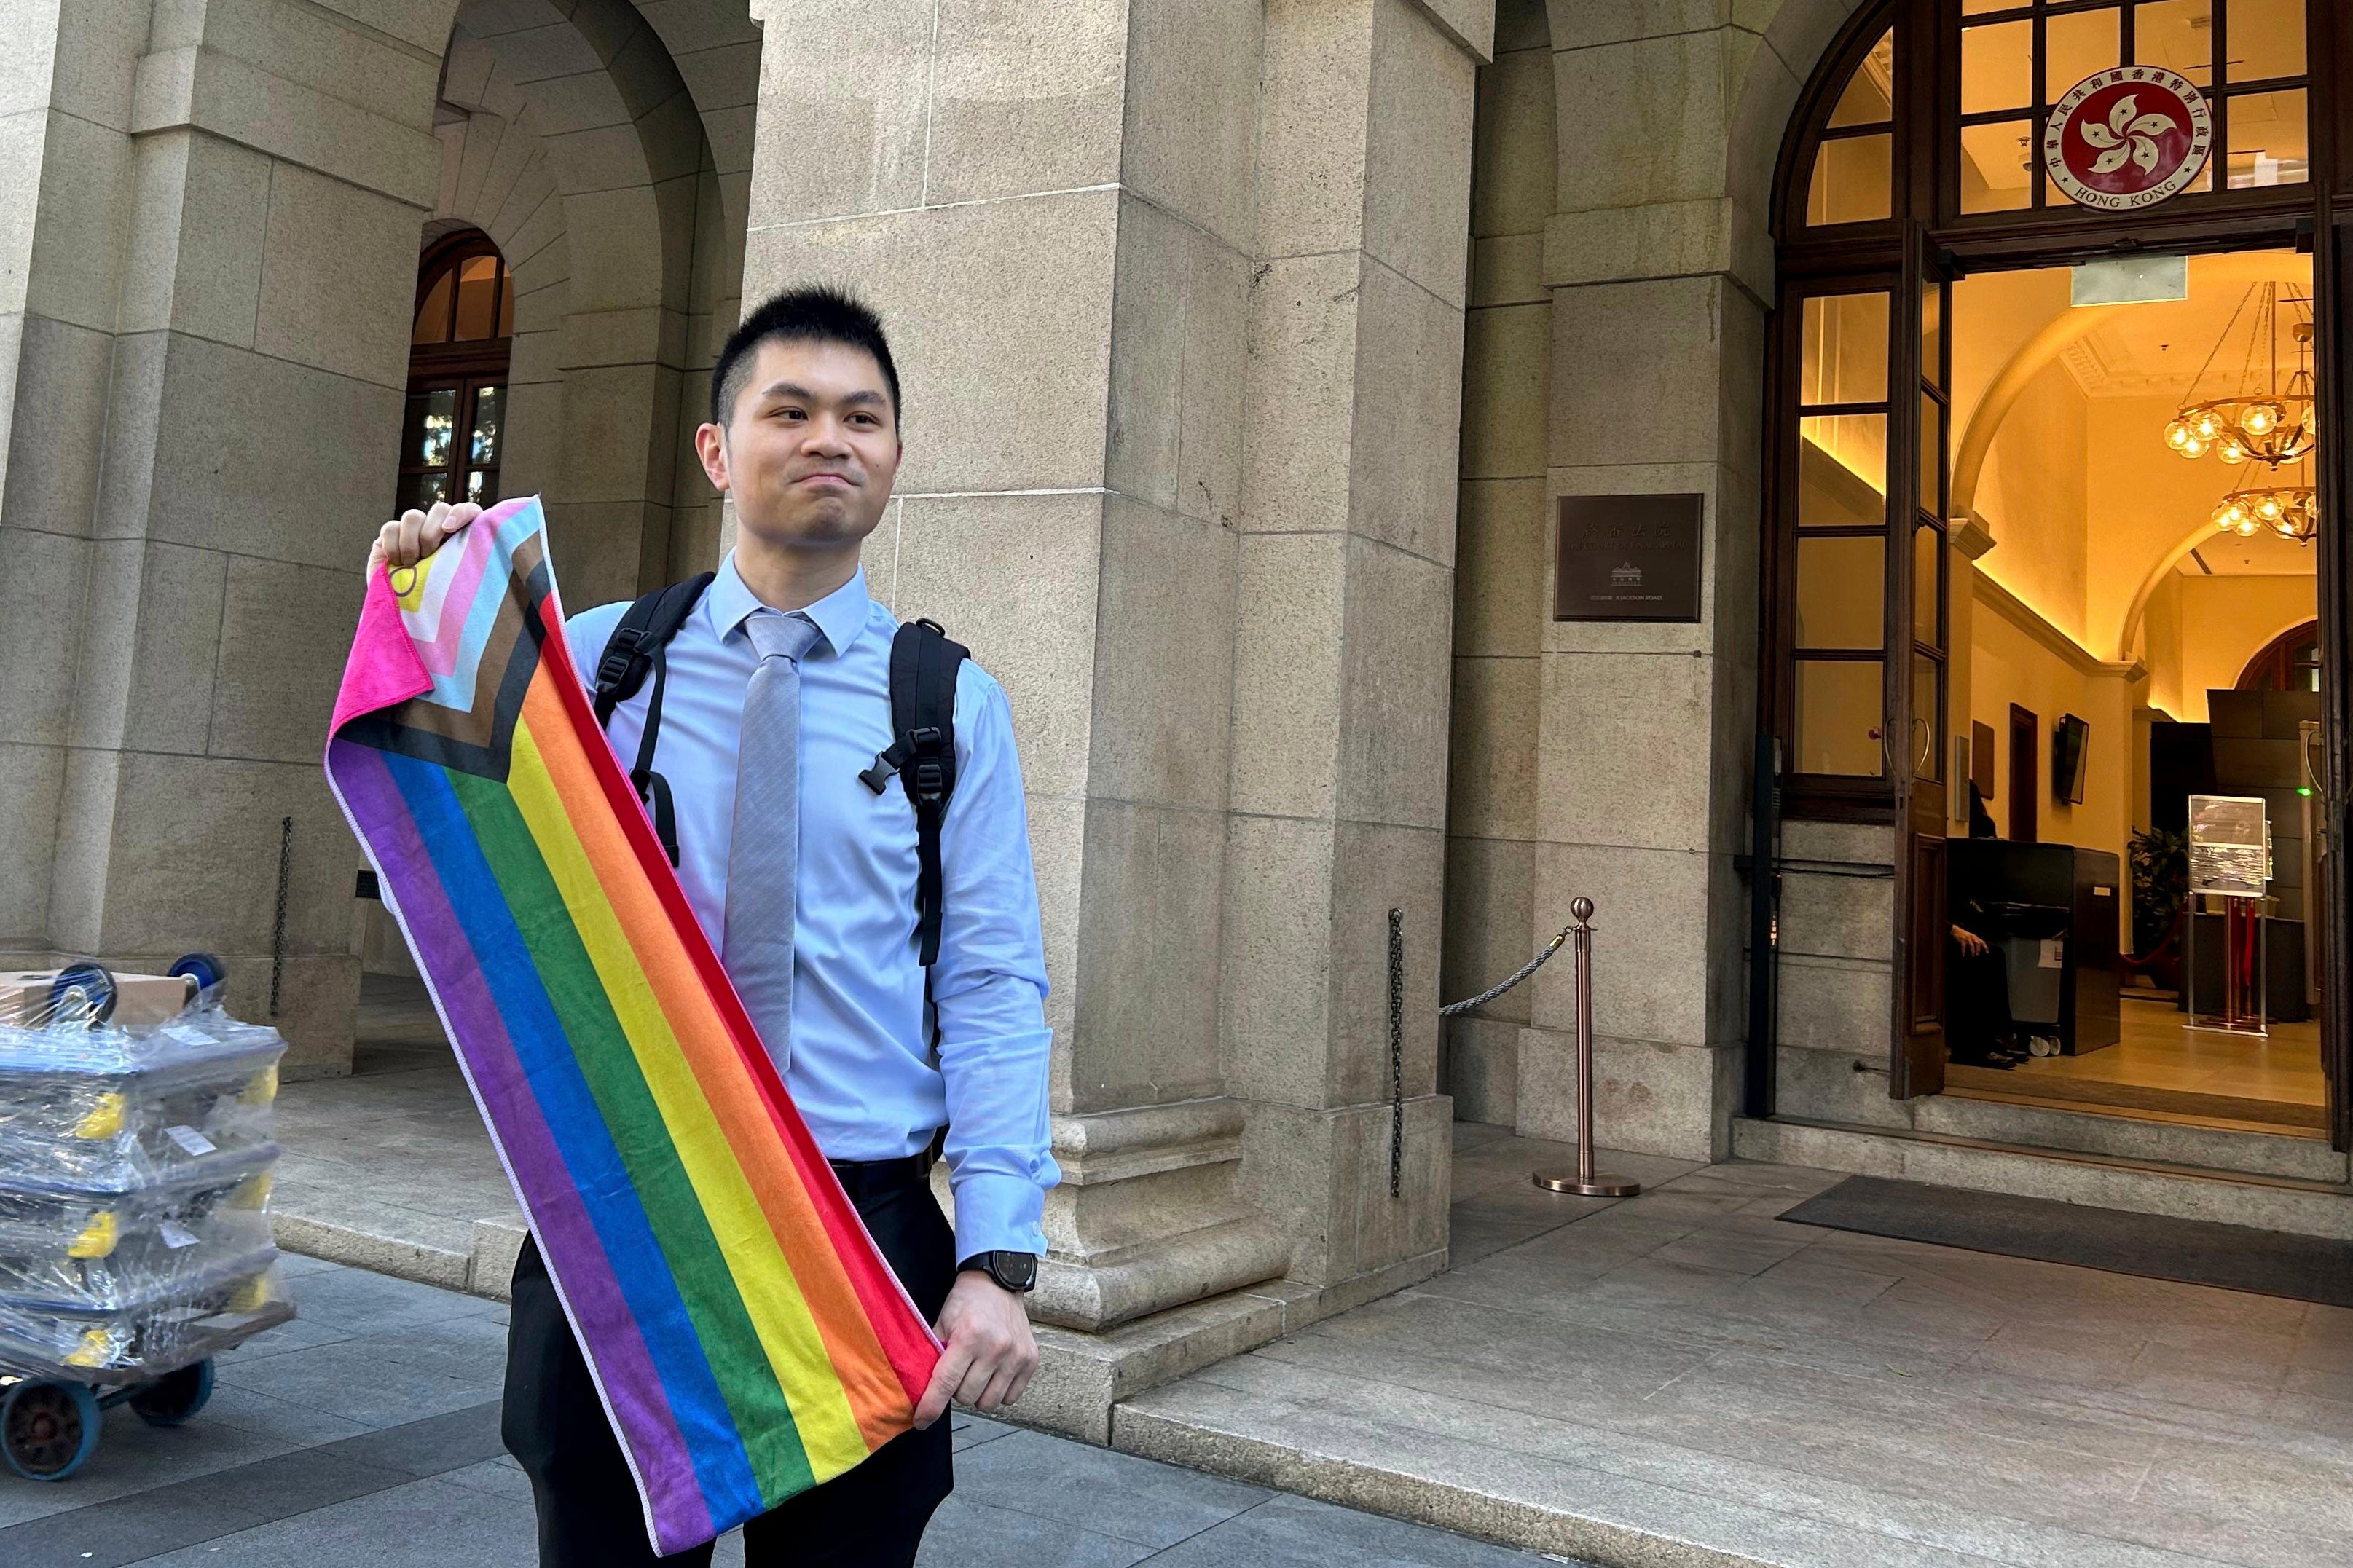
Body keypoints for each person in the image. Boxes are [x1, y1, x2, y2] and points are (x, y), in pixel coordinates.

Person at [366, 286, 1057, 1567]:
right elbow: (441, 801)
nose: (828, 440)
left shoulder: (948, 706)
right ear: (716, 449)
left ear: (896, 453)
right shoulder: (591, 664)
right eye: (787, 411)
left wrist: (995, 1253)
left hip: (864, 1223)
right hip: (631, 1208)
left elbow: (992, 981)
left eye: (863, 417)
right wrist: (426, 595)